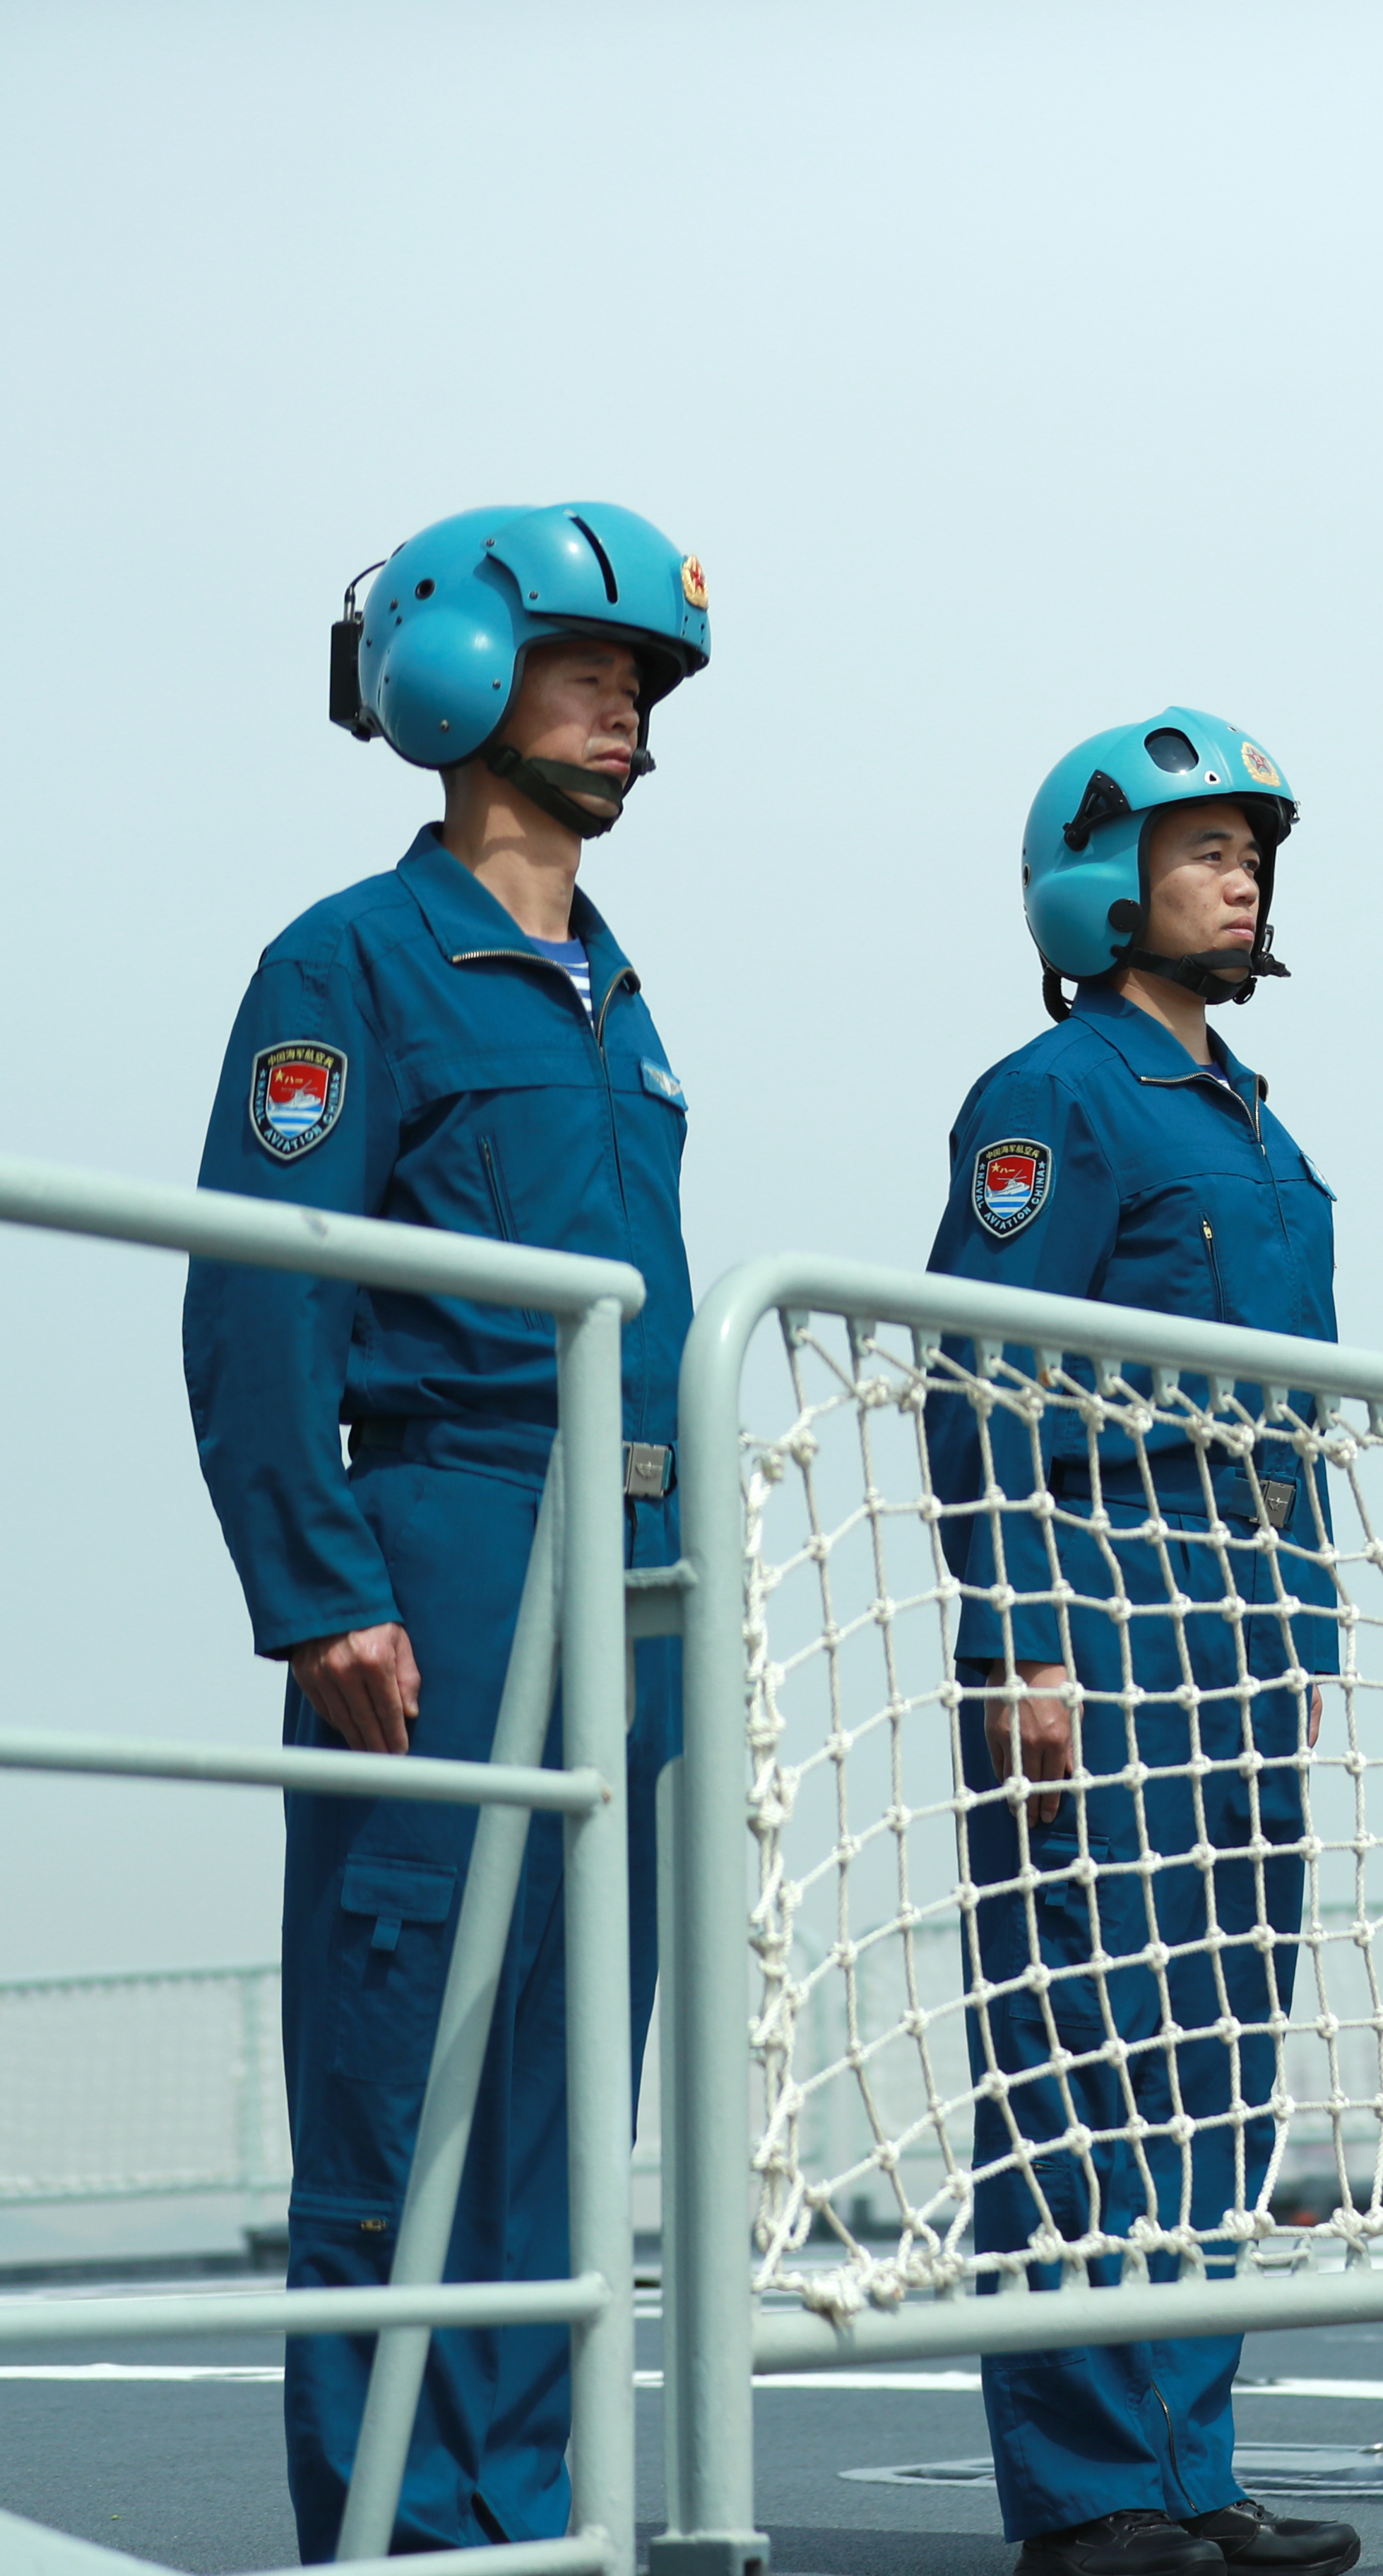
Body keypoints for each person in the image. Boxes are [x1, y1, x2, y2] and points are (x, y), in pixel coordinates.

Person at [189, 505, 706, 2558]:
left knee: (577, 2077)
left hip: (627, 1569)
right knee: (407, 2059)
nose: (626, 710)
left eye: (643, 681)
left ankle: (536, 2518)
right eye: (589, 666)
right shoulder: (352, 962)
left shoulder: (619, 991)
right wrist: (322, 1590)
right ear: (456, 670)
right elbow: (259, 1294)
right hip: (450, 1539)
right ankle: (402, 2530)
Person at [920, 711, 1360, 2576]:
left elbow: (1294, 1408)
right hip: (1102, 1587)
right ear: (1105, 882)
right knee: (1085, 2033)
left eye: (1254, 853)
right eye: (1205, 851)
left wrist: (1306, 1622)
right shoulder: (1056, 1096)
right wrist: (1022, 1637)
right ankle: (1093, 2492)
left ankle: (1189, 2466)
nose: (1243, 879)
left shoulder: (1255, 1120)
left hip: (1244, 1602)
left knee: (1218, 2044)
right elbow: (982, 1377)